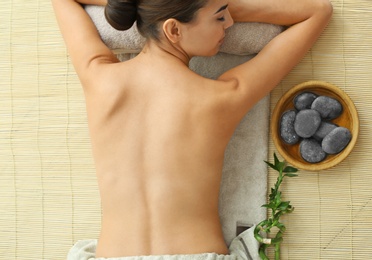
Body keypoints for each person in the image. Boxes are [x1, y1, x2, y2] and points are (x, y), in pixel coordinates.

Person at [52, 0, 332, 259]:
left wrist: (150, 4)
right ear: (174, 29)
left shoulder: (99, 78)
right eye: (220, 16)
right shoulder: (221, 98)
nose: (230, 23)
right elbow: (316, 11)